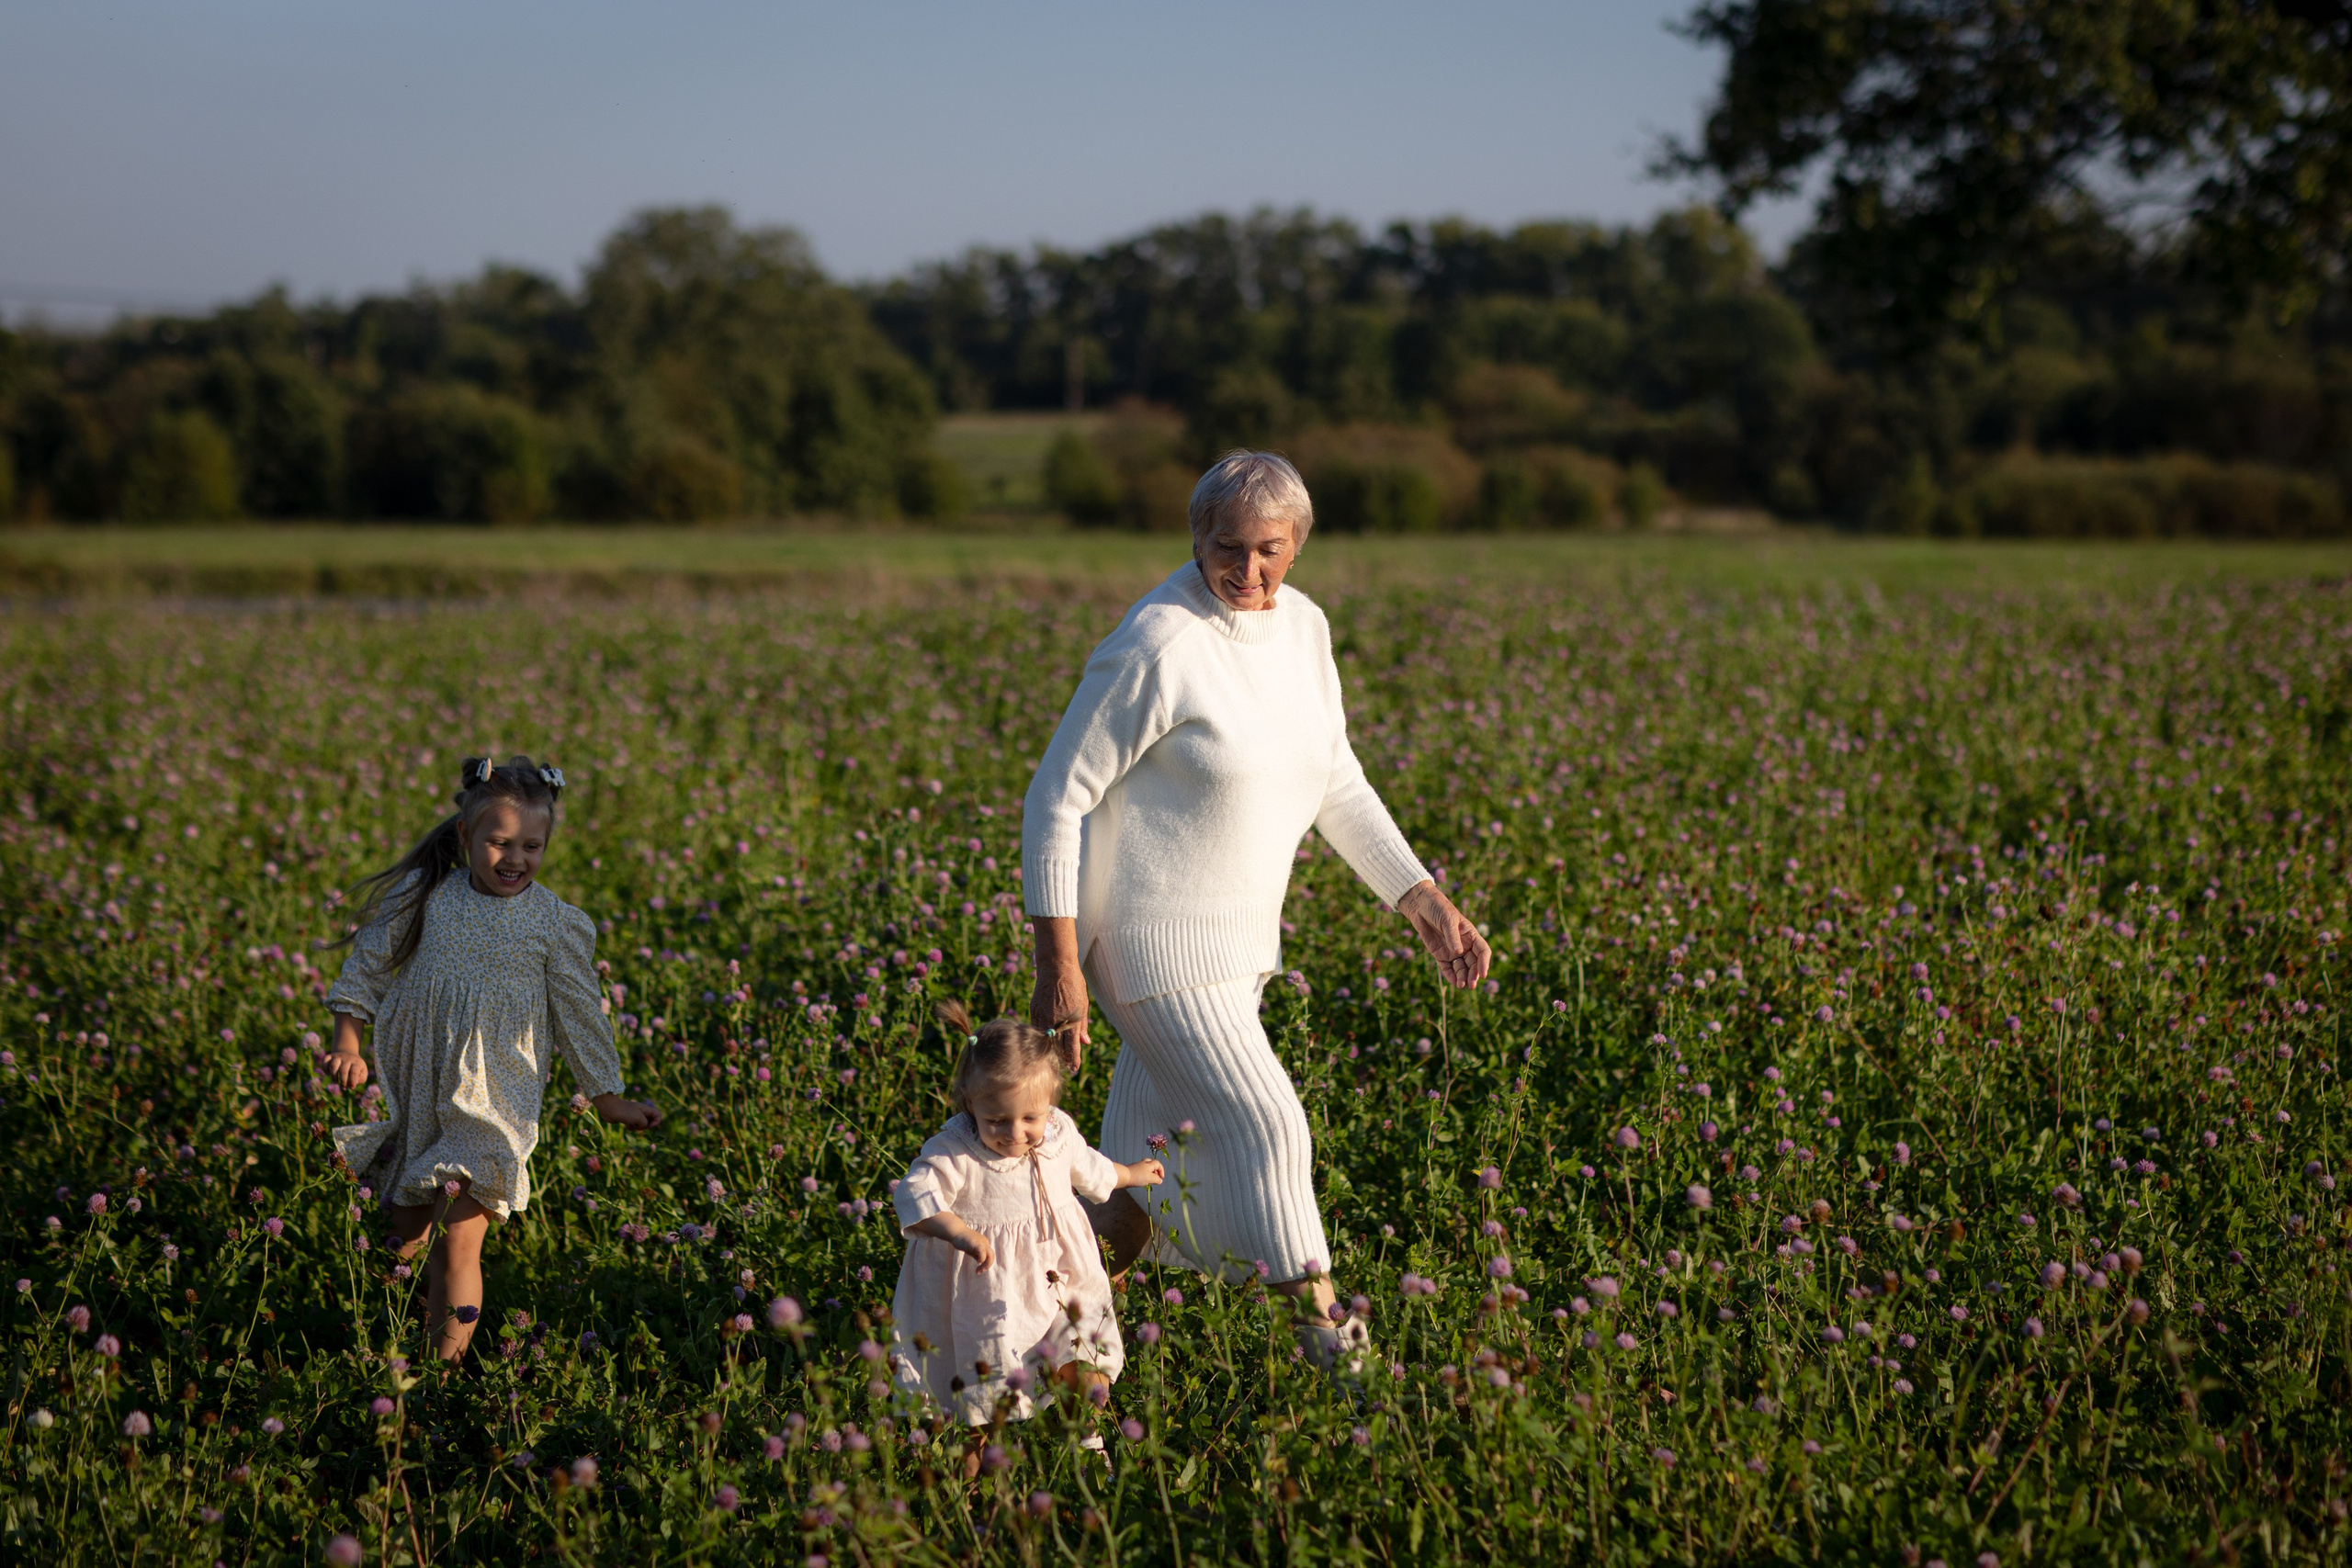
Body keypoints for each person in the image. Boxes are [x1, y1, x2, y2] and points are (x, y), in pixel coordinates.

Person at [1022, 449, 1492, 1362]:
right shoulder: (1159, 642)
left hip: (1239, 956)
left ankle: (1038, 1342)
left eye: (1268, 550)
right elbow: (1056, 797)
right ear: (1196, 538)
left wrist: (1422, 899)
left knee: (1131, 1192)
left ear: (1298, 543)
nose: (1246, 572)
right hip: (1151, 951)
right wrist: (1059, 966)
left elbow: (1335, 779)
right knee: (1270, 1128)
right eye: (1224, 548)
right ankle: (1341, 1370)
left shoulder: (1303, 630)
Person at [322, 754, 662, 1362]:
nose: (516, 858)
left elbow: (580, 1012)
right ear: (466, 835)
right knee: (402, 1241)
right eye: (500, 841)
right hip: (420, 1092)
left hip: (496, 1105)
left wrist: (607, 1095)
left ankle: (438, 1379)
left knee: (458, 1242)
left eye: (532, 845)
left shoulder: (553, 923)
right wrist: (348, 1041)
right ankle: (381, 1351)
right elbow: (366, 967)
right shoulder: (426, 897)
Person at [888, 1000, 1164, 1435]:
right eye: (996, 1120)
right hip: (989, 1292)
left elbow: (1089, 1167)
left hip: (1062, 1275)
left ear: (1050, 1104)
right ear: (969, 1104)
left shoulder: (1057, 1133)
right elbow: (915, 1193)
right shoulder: (956, 1150)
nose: (1015, 1133)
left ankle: (1087, 1446)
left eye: (1029, 1118)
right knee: (983, 1402)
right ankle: (975, 1481)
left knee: (1085, 1363)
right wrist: (958, 1231)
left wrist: (1131, 1173)